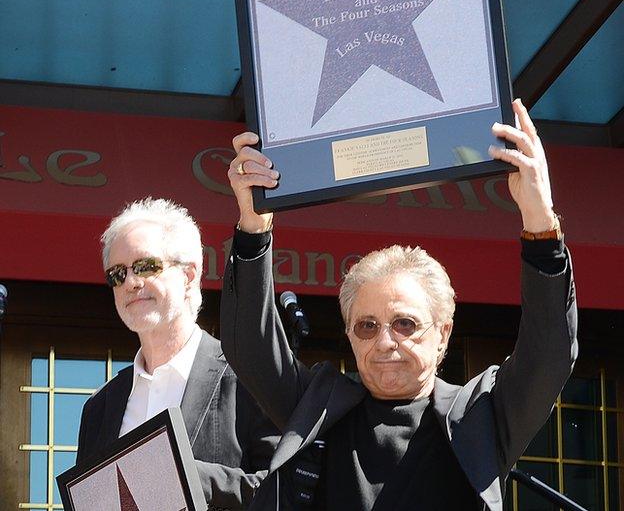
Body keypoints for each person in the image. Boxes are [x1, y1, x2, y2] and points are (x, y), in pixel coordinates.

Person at [220, 99, 578, 510]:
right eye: (367, 326)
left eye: (405, 324)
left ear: (443, 332)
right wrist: (253, 222)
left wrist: (539, 219)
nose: (385, 341)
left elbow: (549, 354)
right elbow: (249, 343)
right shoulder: (317, 409)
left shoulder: (478, 417)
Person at [76, 198, 279, 510]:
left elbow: (286, 489)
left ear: (188, 276)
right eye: (117, 274)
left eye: (146, 266)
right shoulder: (99, 408)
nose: (130, 282)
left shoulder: (246, 377)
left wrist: (189, 477)